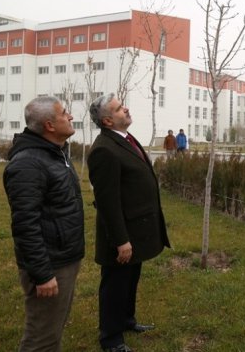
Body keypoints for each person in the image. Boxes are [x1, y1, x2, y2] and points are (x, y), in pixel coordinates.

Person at [87, 93, 170, 352]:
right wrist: (121, 240)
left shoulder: (125, 139)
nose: (126, 109)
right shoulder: (104, 149)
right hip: (122, 233)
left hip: (137, 229)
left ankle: (126, 320)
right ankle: (111, 338)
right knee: (115, 284)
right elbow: (108, 202)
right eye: (120, 108)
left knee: (130, 278)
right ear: (108, 121)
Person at [3, 96, 85, 352]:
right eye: (65, 113)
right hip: (50, 265)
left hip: (64, 258)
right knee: (41, 339)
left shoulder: (54, 153)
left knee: (52, 329)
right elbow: (25, 225)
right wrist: (42, 274)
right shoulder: (29, 163)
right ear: (49, 125)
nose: (70, 116)